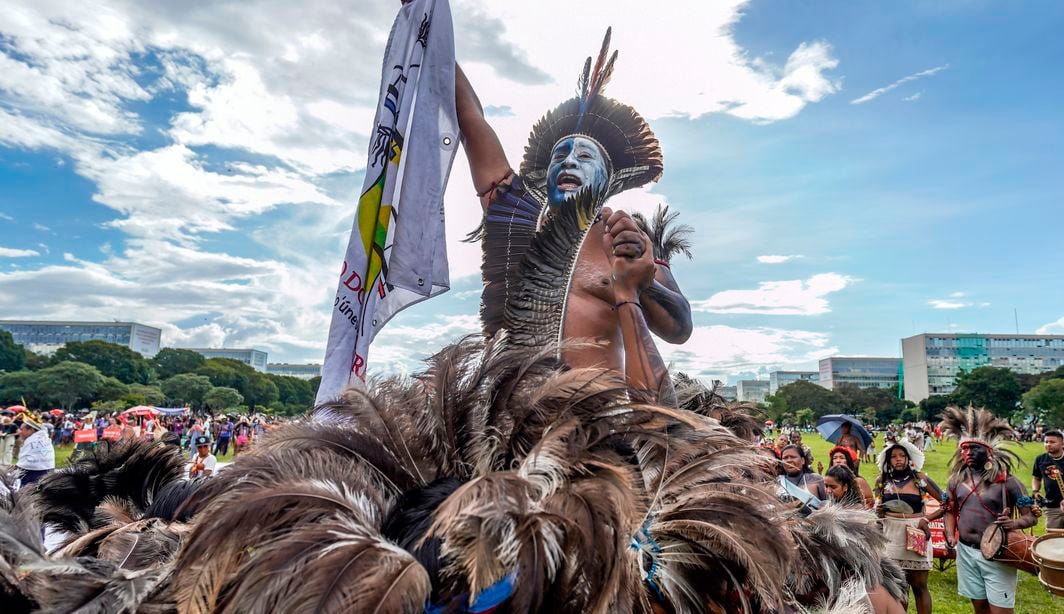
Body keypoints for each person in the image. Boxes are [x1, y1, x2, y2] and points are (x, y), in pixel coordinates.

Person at [455, 30, 692, 404]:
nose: (568, 161)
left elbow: (680, 328)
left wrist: (640, 283)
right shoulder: (517, 220)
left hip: (599, 428)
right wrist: (430, 23)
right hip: (511, 426)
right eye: (559, 156)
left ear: (608, 178)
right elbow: (471, 120)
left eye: (584, 157)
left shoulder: (628, 240)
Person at [940, 407, 1036, 614]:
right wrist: (949, 534)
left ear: (989, 451)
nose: (968, 453)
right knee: (980, 607)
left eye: (974, 448)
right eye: (965, 449)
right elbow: (950, 510)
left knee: (1000, 610)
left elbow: (1031, 518)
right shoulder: (955, 481)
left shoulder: (1008, 482)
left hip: (997, 552)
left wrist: (1014, 523)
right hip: (965, 551)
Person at [873, 440, 942, 614]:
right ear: (888, 461)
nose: (898, 459)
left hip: (915, 531)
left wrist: (927, 519)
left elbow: (947, 503)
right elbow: (877, 508)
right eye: (894, 456)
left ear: (908, 458)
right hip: (890, 535)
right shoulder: (882, 481)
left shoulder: (920, 479)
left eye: (902, 456)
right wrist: (879, 512)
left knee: (919, 585)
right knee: (897, 587)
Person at [1032, 429, 1064, 529]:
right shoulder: (1040, 459)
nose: (1048, 444)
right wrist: (1035, 491)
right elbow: (1036, 478)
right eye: (1046, 442)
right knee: (1052, 538)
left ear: (1062, 444)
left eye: (1052, 442)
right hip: (1052, 507)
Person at [16, 416, 55, 487]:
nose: (19, 432)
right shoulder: (44, 438)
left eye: (22, 429)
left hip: (32, 474)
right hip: (48, 471)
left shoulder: (31, 442)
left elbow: (24, 465)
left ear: (31, 430)